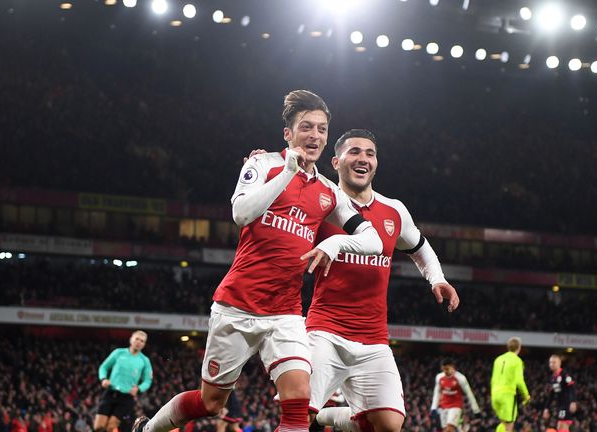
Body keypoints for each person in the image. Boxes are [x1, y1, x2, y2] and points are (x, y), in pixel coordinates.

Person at [133, 90, 383, 432]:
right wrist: (285, 175)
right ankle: (147, 430)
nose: (315, 136)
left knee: (298, 401)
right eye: (306, 127)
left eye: (322, 129)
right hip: (237, 307)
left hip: (286, 313)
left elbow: (372, 239)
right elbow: (241, 213)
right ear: (288, 133)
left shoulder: (329, 192)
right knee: (210, 403)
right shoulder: (263, 164)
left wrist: (337, 244)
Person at [303, 129, 460, 432]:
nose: (363, 158)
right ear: (335, 162)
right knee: (298, 416)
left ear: (376, 163)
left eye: (370, 153)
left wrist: (436, 279)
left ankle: (327, 417)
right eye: (354, 152)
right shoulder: (322, 205)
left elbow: (419, 246)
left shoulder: (393, 210)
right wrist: (265, 168)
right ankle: (316, 415)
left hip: (374, 338)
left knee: (388, 425)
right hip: (326, 332)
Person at [95, 330, 153, 432]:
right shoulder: (118, 353)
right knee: (98, 427)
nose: (139, 342)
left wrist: (139, 388)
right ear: (131, 340)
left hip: (126, 397)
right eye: (137, 339)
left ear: (144, 344)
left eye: (142, 341)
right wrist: (103, 379)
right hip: (110, 392)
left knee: (110, 428)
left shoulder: (144, 360)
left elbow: (148, 380)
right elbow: (103, 367)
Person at [490, 337, 530, 432]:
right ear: (519, 348)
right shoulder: (517, 361)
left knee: (503, 423)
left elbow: (493, 379)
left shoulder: (498, 359)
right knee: (509, 425)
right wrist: (526, 395)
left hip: (495, 395)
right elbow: (519, 381)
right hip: (507, 396)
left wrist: (493, 395)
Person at [430, 358, 481, 432]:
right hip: (443, 406)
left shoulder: (460, 378)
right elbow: (437, 392)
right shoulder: (439, 377)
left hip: (455, 406)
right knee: (445, 429)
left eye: (447, 369)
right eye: (443, 369)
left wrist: (476, 409)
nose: (445, 371)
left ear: (452, 367)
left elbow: (469, 394)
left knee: (449, 429)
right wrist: (433, 407)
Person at [542, 355, 576, 432]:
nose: (552, 364)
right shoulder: (552, 378)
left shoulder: (564, 374)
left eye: (554, 362)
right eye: (550, 362)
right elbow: (551, 394)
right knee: (561, 427)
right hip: (559, 406)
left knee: (562, 426)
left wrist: (573, 401)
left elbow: (572, 387)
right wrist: (546, 408)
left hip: (566, 404)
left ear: (559, 363)